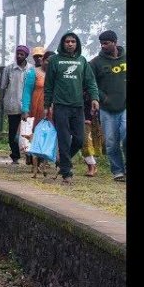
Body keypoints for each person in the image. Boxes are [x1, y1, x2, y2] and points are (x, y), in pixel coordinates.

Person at [44, 32, 100, 184]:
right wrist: (47, 105)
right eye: (67, 41)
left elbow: (90, 82)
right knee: (63, 138)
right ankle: (66, 173)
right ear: (63, 43)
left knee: (79, 138)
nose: (70, 44)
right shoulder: (55, 60)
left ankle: (63, 160)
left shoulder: (82, 61)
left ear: (77, 44)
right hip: (61, 106)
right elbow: (48, 85)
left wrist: (95, 98)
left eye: (73, 42)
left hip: (78, 106)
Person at [90, 29, 126, 181]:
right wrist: (102, 98)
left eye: (106, 43)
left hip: (125, 106)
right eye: (101, 44)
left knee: (126, 134)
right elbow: (90, 83)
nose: (103, 46)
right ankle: (118, 171)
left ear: (115, 42)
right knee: (111, 142)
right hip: (106, 109)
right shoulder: (95, 63)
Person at [0, 45, 30, 164]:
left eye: (22, 54)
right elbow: (3, 86)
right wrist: (2, 101)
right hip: (12, 104)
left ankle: (29, 155)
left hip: (26, 106)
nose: (19, 56)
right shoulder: (9, 69)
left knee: (27, 132)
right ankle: (15, 156)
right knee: (13, 131)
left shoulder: (30, 69)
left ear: (26, 56)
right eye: (17, 53)